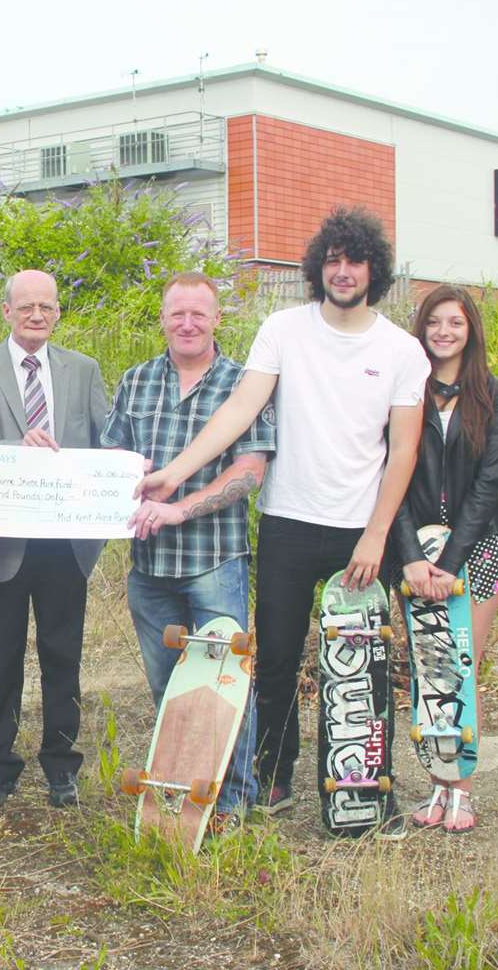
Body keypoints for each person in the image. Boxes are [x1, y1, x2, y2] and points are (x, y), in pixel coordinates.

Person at [138, 208, 429, 823]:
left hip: (360, 529)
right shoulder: (283, 329)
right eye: (333, 260)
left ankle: (366, 783)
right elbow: (240, 411)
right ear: (317, 266)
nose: (343, 271)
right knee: (274, 659)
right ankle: (273, 776)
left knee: (363, 661)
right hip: (288, 522)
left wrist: (377, 536)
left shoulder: (401, 349)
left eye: (355, 261)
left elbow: (402, 451)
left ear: (374, 270)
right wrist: (176, 472)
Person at [107, 271, 273, 834]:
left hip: (214, 560)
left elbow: (249, 472)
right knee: (169, 689)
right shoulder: (136, 380)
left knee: (225, 687)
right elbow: (113, 461)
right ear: (162, 317)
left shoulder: (242, 384)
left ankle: (235, 802)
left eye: (199, 313)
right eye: (177, 312)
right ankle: (181, 794)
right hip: (149, 567)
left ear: (218, 318)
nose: (187, 323)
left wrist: (181, 505)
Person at [0, 270, 108, 812]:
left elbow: (102, 446)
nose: (36, 314)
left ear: (59, 312)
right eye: (26, 307)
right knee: (2, 659)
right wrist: (18, 448)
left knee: (63, 655)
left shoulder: (84, 371)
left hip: (64, 542)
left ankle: (62, 766)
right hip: (2, 541)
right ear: (7, 312)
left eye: (47, 306)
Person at [390, 285, 498, 834]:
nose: (444, 331)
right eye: (434, 322)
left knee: (462, 665)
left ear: (471, 331)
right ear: (421, 328)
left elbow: (490, 483)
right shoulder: (404, 389)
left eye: (455, 323)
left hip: (477, 548)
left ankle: (461, 789)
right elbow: (386, 478)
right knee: (428, 669)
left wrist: (453, 559)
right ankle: (434, 787)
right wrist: (415, 556)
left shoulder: (495, 393)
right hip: (415, 553)